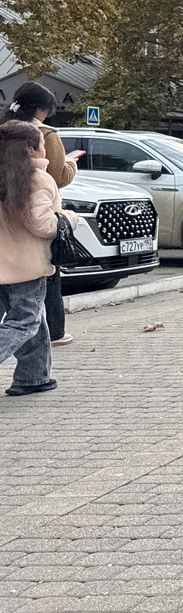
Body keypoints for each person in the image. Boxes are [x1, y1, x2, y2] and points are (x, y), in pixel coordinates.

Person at [7, 82, 75, 348]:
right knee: (28, 316)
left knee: (27, 317)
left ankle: (36, 370)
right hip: (30, 250)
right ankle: (57, 333)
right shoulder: (42, 136)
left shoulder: (5, 130)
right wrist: (67, 219)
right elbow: (56, 178)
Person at [0, 120, 64, 396]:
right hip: (25, 265)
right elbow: (41, 224)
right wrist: (66, 219)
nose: (45, 148)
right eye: (41, 142)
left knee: (36, 320)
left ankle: (33, 376)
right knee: (25, 322)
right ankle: (32, 376)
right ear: (31, 150)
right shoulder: (36, 178)